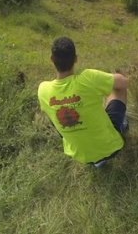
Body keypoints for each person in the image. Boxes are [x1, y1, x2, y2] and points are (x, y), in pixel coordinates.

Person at [37, 37, 128, 166]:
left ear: (51, 59)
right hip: (112, 148)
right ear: (76, 59)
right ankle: (122, 125)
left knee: (53, 114)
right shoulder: (88, 78)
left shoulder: (43, 90)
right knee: (117, 89)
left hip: (82, 157)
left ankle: (95, 160)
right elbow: (123, 82)